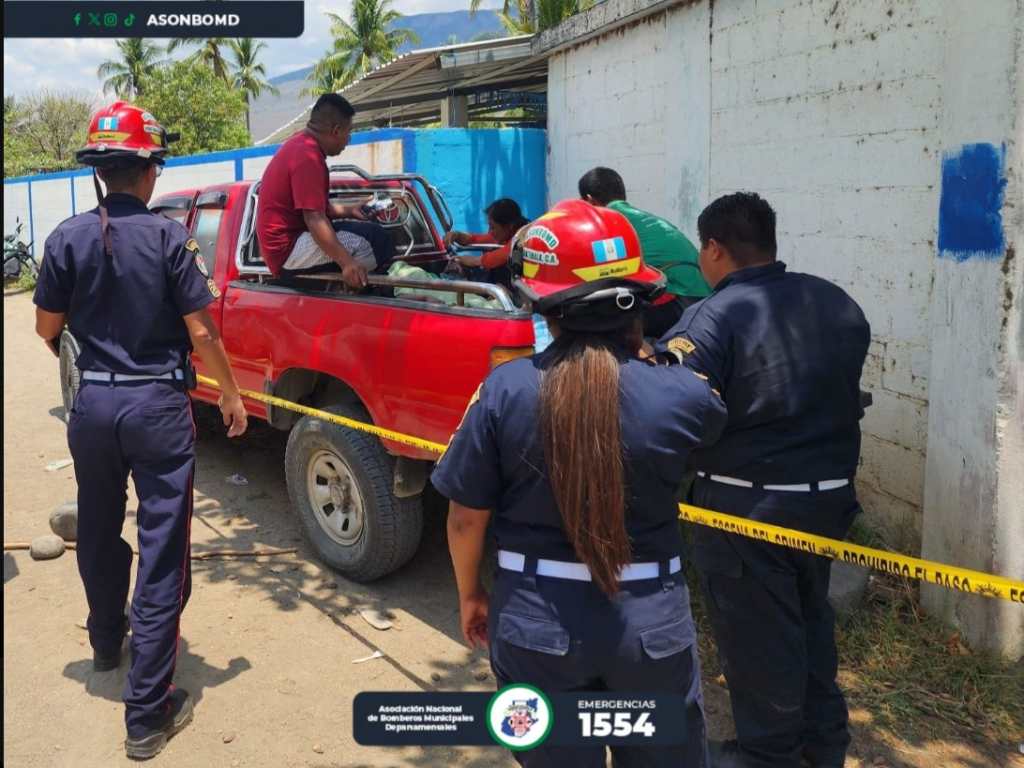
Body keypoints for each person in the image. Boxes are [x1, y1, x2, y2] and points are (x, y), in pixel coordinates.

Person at [432, 199, 727, 767]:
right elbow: (708, 429)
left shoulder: (503, 391)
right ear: (637, 300)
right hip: (650, 628)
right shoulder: (682, 393)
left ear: (543, 305)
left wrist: (471, 594)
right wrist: (652, 358)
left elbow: (465, 518)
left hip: (535, 624)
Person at [32, 101, 249, 760]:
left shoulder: (65, 237)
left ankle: (106, 641)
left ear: (99, 172)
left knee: (98, 527)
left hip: (92, 406)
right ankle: (147, 713)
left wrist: (99, 368)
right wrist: (231, 394)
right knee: (162, 552)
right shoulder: (168, 238)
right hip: (157, 407)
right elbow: (202, 330)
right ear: (150, 170)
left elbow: (46, 329)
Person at [655, 193, 870, 768]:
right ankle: (824, 744)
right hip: (827, 504)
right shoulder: (835, 301)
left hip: (745, 513)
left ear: (713, 248)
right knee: (811, 621)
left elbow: (671, 411)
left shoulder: (711, 318)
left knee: (758, 640)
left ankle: (767, 756)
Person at [255, 93, 391, 287]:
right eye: (349, 132)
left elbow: (314, 208)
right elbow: (314, 219)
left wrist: (349, 210)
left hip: (281, 248)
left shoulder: (299, 144)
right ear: (336, 131)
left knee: (360, 234)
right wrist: (347, 263)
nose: (349, 139)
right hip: (288, 250)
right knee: (376, 240)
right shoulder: (308, 157)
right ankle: (359, 293)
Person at [579, 166, 710, 338]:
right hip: (702, 299)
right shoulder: (643, 218)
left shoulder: (607, 221)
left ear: (590, 201)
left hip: (680, 300)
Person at [443, 197, 528, 286]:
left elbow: (506, 252)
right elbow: (474, 239)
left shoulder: (525, 237)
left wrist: (474, 260)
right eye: (489, 226)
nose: (490, 231)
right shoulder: (506, 233)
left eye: (493, 227)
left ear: (510, 226)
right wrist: (456, 235)